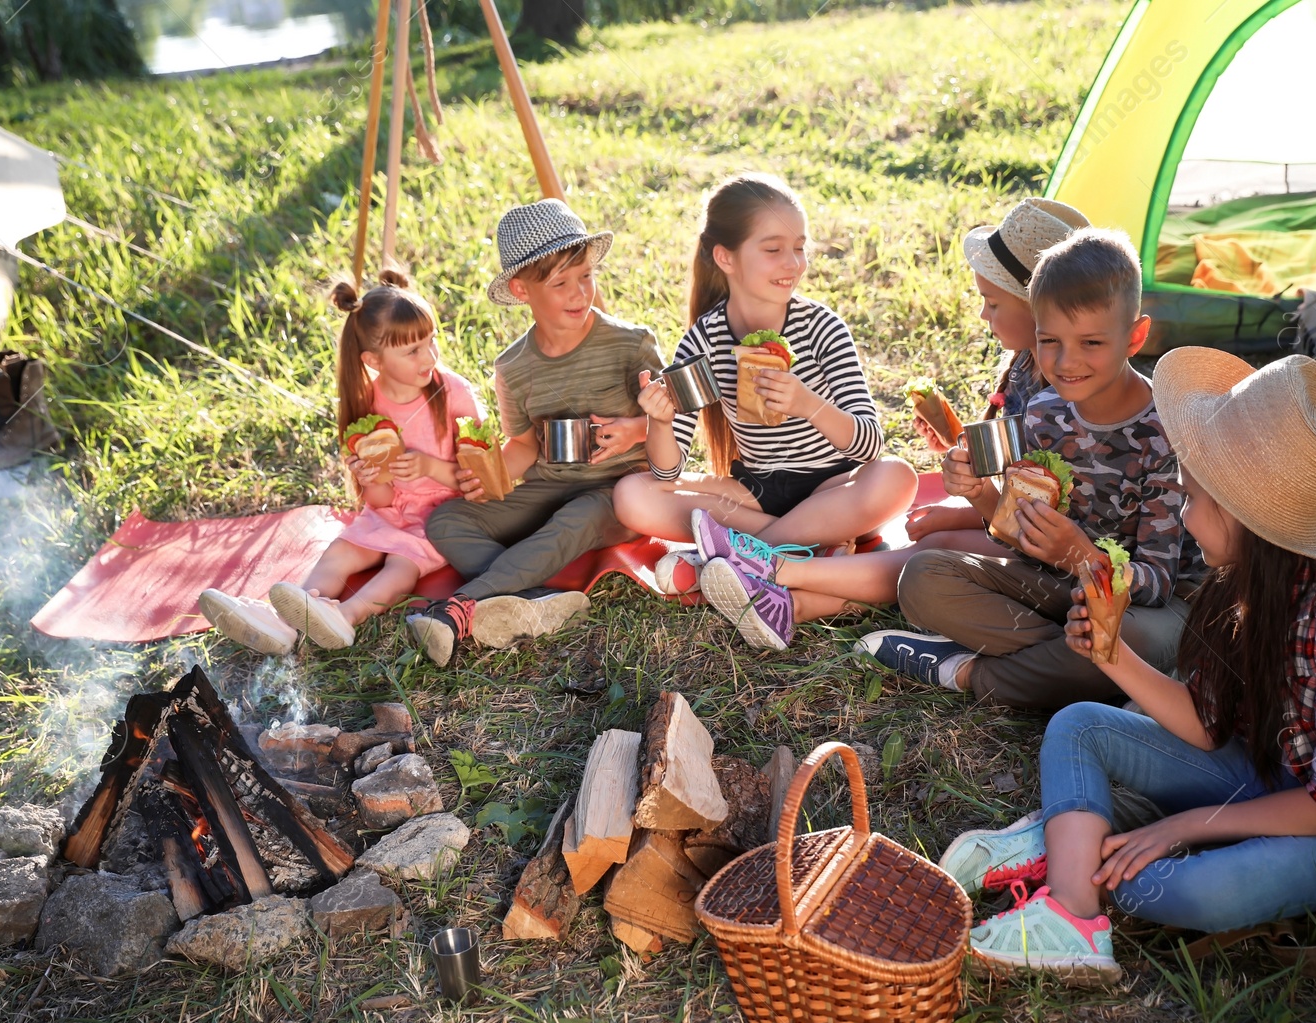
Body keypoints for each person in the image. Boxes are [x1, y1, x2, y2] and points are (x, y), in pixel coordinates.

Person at [953, 348, 1316, 984]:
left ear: (1247, 520)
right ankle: (1074, 916)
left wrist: (1185, 825)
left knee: (1177, 892)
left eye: (1194, 499)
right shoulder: (1242, 578)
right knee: (1079, 725)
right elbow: (1208, 723)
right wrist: (1112, 656)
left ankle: (1066, 846)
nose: (1185, 514)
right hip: (1275, 771)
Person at [680, 198, 1093, 649]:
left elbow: (1034, 516)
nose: (982, 315)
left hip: (1057, 549)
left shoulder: (1060, 395)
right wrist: (954, 453)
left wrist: (964, 507)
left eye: (991, 303)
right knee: (931, 542)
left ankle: (775, 571)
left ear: (1038, 309)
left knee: (930, 553)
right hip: (1023, 529)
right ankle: (785, 601)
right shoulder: (1024, 369)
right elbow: (1015, 481)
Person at [856, 229, 1206, 709]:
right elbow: (1015, 531)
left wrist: (1083, 559)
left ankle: (971, 672)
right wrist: (980, 494)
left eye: (1091, 342)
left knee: (1130, 640)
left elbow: (1159, 582)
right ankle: (1079, 667)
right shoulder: (1043, 413)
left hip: (1144, 608)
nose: (1067, 361)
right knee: (921, 576)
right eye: (1049, 341)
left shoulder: (1166, 432)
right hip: (1057, 591)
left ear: (1135, 336)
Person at [612, 172, 917, 649]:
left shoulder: (821, 329)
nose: (793, 262)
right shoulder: (706, 341)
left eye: (799, 246)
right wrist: (660, 421)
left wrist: (808, 404)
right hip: (755, 492)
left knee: (898, 476)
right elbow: (667, 471)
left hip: (835, 487)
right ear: (725, 257)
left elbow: (869, 442)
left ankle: (727, 561)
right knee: (632, 493)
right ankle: (802, 556)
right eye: (773, 249)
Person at [408, 199, 662, 666]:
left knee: (573, 521)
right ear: (521, 290)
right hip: (548, 486)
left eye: (585, 275)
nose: (578, 293)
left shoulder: (631, 343)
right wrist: (491, 476)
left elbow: (677, 421)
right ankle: (537, 597)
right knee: (447, 521)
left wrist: (633, 430)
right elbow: (524, 444)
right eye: (560, 282)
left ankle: (457, 607)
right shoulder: (513, 365)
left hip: (616, 493)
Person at [198, 271, 475, 654]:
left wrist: (429, 467)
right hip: (390, 512)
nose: (429, 357)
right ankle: (281, 623)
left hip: (443, 516)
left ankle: (345, 617)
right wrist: (370, 477)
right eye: (412, 351)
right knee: (341, 551)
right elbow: (378, 501)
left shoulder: (453, 392)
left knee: (401, 566)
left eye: (431, 342)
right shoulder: (369, 409)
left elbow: (480, 478)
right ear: (373, 360)